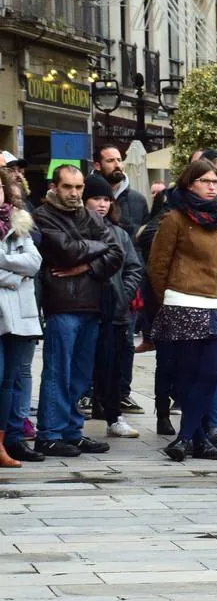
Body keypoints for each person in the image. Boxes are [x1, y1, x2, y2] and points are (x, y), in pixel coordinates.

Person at [146, 160, 217, 462]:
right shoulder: (175, 218)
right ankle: (197, 440)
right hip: (184, 303)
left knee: (213, 372)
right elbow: (157, 265)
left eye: (215, 181)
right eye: (204, 180)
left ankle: (186, 437)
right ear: (189, 184)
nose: (212, 185)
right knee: (188, 375)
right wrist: (171, 296)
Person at [35, 164, 125, 457]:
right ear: (54, 187)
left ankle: (72, 432)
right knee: (58, 371)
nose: (74, 193)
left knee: (81, 375)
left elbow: (116, 253)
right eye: (68, 187)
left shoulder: (87, 215)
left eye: (78, 188)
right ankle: (49, 433)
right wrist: (93, 249)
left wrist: (85, 264)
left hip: (92, 303)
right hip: (62, 303)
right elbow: (65, 250)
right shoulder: (43, 215)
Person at [82, 174, 144, 442]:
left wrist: (124, 294)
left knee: (113, 367)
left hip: (115, 311)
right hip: (83, 308)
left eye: (107, 199)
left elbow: (133, 267)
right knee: (81, 366)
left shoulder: (119, 233)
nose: (102, 204)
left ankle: (114, 415)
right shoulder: (77, 229)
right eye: (96, 198)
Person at [0, 201, 40, 466]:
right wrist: (17, 276)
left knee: (8, 382)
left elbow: (34, 262)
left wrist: (3, 263)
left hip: (17, 317)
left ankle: (2, 445)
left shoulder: (19, 223)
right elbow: (23, 270)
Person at [92, 143, 149, 236]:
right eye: (110, 160)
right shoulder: (84, 193)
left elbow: (145, 237)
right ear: (97, 166)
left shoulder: (138, 199)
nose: (117, 164)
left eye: (119, 160)